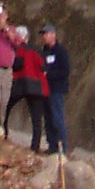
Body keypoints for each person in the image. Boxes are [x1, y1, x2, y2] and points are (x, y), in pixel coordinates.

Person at [3, 26, 50, 151]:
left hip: (21, 84)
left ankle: (3, 132)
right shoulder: (37, 50)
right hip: (37, 87)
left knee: (6, 107)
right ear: (27, 37)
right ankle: (35, 147)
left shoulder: (18, 49)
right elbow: (44, 67)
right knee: (36, 119)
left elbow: (16, 65)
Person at [40, 23, 70, 154]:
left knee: (57, 118)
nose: (44, 37)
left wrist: (49, 74)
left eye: (46, 34)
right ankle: (52, 146)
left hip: (56, 89)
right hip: (45, 89)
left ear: (53, 35)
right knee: (48, 118)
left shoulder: (61, 51)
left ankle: (62, 147)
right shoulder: (44, 51)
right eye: (43, 34)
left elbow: (65, 70)